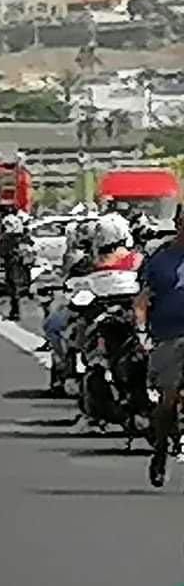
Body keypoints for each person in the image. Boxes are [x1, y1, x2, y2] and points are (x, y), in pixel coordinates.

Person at [136, 207, 184, 489]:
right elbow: (142, 299)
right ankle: (160, 450)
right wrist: (142, 331)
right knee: (167, 400)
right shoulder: (160, 260)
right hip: (169, 336)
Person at [0, 205, 30, 321]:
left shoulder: (7, 221)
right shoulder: (18, 221)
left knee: (12, 282)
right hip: (17, 255)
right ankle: (15, 308)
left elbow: (6, 237)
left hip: (11, 257)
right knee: (15, 281)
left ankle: (15, 310)